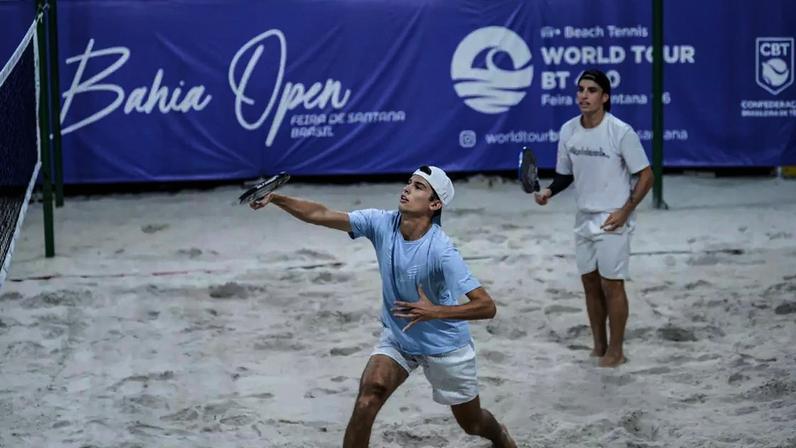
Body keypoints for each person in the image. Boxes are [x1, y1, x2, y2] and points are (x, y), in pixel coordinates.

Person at [250, 165, 516, 447]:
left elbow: (487, 306)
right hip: (399, 336)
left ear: (434, 204)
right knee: (367, 399)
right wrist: (277, 199)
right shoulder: (381, 223)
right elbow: (321, 214)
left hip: (445, 344)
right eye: (409, 183)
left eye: (418, 187)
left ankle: (500, 435)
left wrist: (435, 311)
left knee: (472, 423)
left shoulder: (442, 250)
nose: (407, 189)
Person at [534, 69, 654, 368]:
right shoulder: (568, 130)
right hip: (583, 216)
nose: (584, 95)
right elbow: (565, 175)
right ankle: (599, 345)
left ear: (605, 97)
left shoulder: (620, 131)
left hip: (613, 216)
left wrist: (625, 211)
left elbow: (647, 175)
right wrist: (549, 191)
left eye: (591, 90)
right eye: (581, 90)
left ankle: (617, 349)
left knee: (612, 284)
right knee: (589, 282)